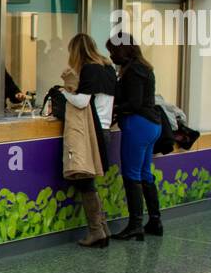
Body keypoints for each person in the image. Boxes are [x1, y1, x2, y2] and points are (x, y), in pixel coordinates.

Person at [60, 34, 118, 248]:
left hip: (90, 131)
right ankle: (103, 227)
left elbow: (82, 102)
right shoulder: (108, 67)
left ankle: (96, 231)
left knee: (84, 180)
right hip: (104, 129)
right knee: (90, 180)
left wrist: (63, 92)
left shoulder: (89, 70)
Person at [107, 35, 162, 240]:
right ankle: (155, 220)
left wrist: (114, 108)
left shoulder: (135, 71)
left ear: (123, 50)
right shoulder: (143, 67)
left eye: (113, 51)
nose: (111, 55)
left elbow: (135, 103)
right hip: (150, 125)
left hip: (137, 124)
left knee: (131, 175)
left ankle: (135, 224)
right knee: (145, 174)